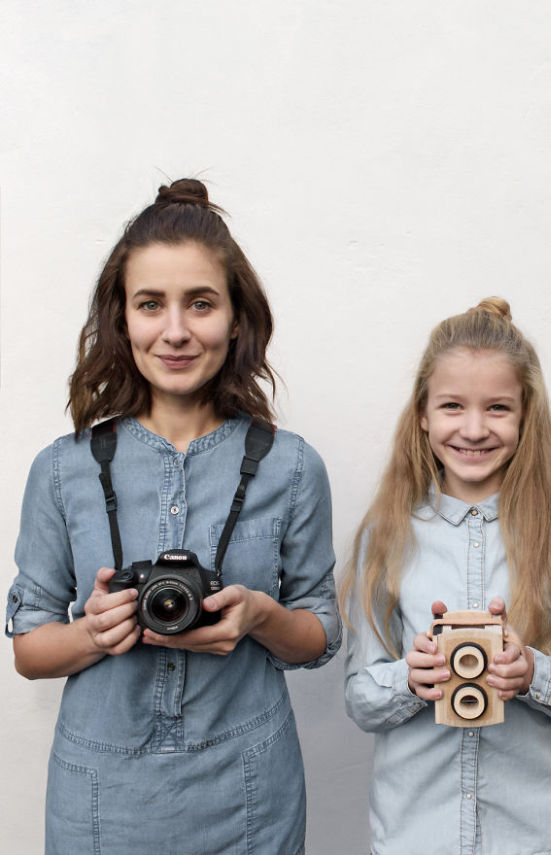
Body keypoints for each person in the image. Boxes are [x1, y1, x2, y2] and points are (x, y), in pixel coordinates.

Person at [6, 179, 340, 855]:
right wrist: (96, 632)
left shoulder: (291, 467)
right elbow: (28, 649)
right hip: (100, 795)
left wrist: (259, 615)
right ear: (122, 318)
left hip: (249, 791)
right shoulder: (63, 468)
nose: (177, 331)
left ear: (237, 317)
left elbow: (319, 635)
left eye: (201, 303)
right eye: (151, 304)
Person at [341, 297, 551, 855]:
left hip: (529, 837)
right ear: (422, 413)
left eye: (497, 408)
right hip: (415, 836)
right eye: (451, 406)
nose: (472, 428)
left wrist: (531, 671)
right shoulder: (386, 532)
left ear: (525, 415)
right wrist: (410, 679)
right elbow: (362, 698)